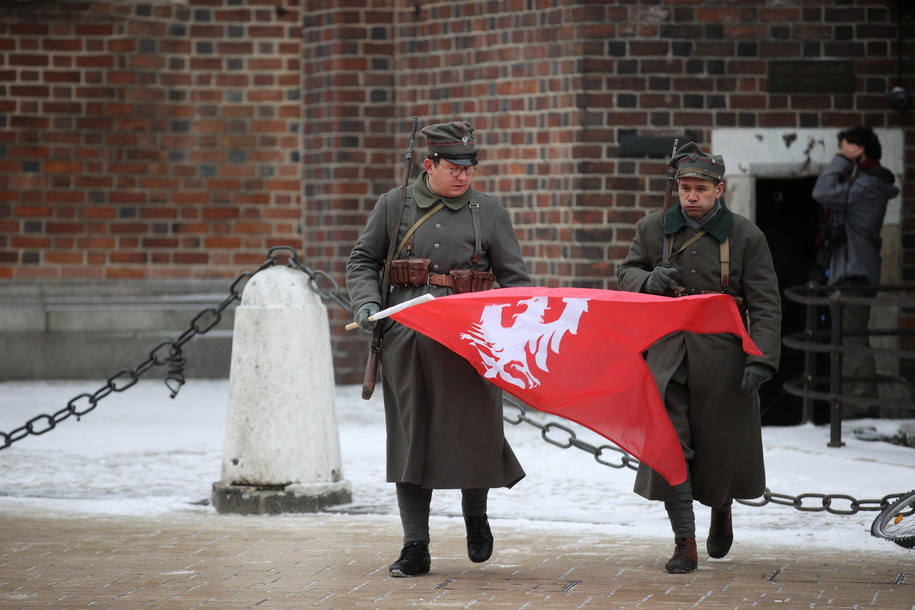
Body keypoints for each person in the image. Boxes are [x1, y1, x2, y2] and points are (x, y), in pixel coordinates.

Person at [346, 120, 532, 577]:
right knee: (411, 442)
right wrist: (369, 304)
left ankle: (476, 518)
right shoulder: (395, 205)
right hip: (408, 341)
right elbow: (364, 261)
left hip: (470, 340)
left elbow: (517, 281)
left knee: (475, 436)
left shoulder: (489, 212)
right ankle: (415, 545)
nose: (464, 176)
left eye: (471, 168)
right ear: (429, 165)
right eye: (454, 167)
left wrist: (513, 334)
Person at [616, 142, 782, 574]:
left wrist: (761, 359)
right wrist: (649, 279)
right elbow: (625, 273)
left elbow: (765, 302)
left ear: (719, 190)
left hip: (725, 356)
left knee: (721, 449)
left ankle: (721, 508)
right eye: (685, 188)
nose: (691, 196)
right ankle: (684, 541)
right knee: (672, 446)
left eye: (701, 189)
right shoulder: (654, 228)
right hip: (669, 354)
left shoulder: (746, 236)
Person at [812, 126, 899, 416]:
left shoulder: (867, 186)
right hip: (848, 269)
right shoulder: (861, 182)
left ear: (859, 150)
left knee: (852, 338)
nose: (839, 154)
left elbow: (822, 192)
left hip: (854, 271)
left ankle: (862, 407)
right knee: (846, 338)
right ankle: (854, 404)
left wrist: (841, 161)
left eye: (844, 147)